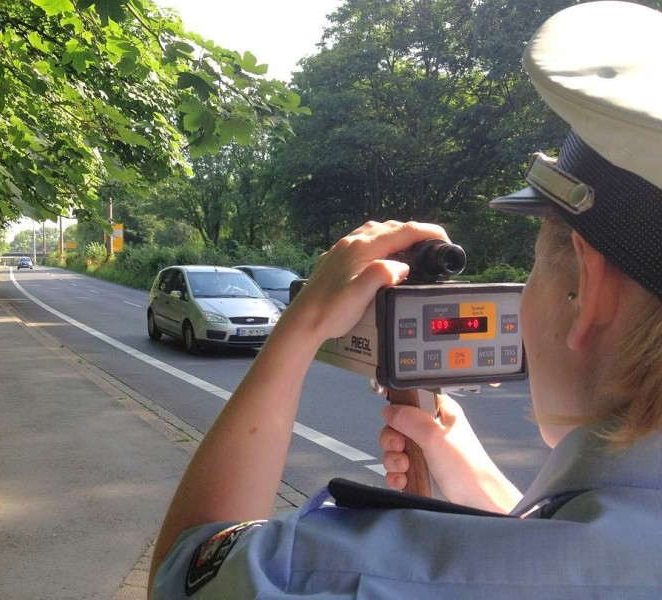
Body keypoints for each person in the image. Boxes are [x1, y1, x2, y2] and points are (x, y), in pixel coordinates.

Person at [148, 2, 662, 597]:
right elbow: (566, 549)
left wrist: (298, 330)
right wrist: (465, 469)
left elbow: (187, 568)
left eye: (535, 266)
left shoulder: (351, 571)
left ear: (587, 288)